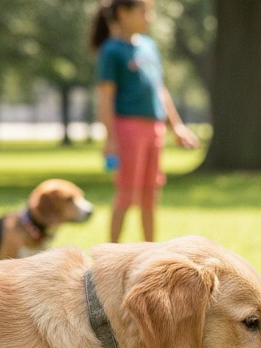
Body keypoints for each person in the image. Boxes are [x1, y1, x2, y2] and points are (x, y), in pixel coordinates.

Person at [90, 0, 199, 243]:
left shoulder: (149, 46)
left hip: (154, 128)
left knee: (150, 195)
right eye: (143, 12)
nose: (149, 18)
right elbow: (106, 99)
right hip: (128, 128)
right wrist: (110, 139)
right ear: (123, 13)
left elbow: (160, 90)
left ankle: (151, 253)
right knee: (127, 195)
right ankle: (110, 254)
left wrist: (177, 126)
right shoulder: (111, 51)